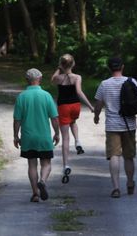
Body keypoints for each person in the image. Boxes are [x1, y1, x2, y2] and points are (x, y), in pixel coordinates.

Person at [93, 56, 137, 198]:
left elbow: (99, 104)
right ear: (122, 67)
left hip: (112, 125)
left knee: (114, 155)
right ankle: (130, 183)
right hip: (129, 124)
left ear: (109, 68)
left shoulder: (104, 84)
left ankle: (116, 187)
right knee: (129, 157)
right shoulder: (132, 82)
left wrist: (96, 116)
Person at [14, 68, 61, 202]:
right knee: (46, 164)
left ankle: (35, 193)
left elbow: (17, 119)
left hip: (28, 138)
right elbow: (54, 118)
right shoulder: (46, 96)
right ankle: (43, 180)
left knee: (32, 165)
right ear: (40, 79)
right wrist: (57, 133)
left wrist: (16, 136)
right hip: (43, 137)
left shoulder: (22, 96)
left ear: (26, 81)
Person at [50, 54, 95, 184]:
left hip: (63, 107)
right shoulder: (77, 77)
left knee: (65, 138)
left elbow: (52, 79)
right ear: (73, 64)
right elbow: (79, 92)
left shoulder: (58, 78)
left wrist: (59, 69)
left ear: (61, 64)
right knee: (73, 122)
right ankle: (78, 141)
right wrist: (90, 106)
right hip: (75, 106)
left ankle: (66, 165)